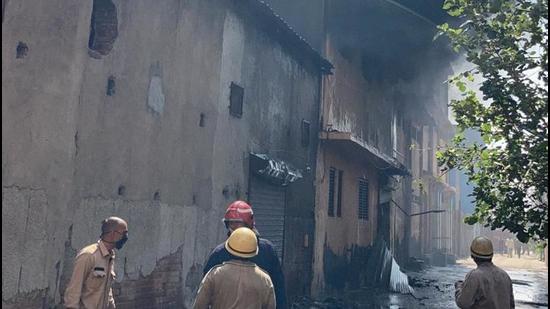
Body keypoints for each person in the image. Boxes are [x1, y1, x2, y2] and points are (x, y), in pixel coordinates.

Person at [203, 200, 287, 309]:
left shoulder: (267, 251)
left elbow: (278, 290)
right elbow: (205, 290)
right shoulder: (219, 253)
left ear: (249, 224)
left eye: (238, 223)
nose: (234, 228)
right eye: (231, 223)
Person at [193, 227, 276, 309]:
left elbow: (199, 305)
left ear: (228, 248)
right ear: (255, 251)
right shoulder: (265, 280)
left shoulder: (215, 274)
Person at [64, 217, 129, 309]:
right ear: (113, 234)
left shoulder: (110, 255)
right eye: (124, 233)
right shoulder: (88, 255)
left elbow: (107, 290)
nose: (125, 237)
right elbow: (73, 291)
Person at [455, 236, 514, 309]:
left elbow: (463, 303)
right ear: (491, 255)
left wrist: (459, 288)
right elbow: (511, 305)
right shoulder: (505, 275)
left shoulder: (474, 276)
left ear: (472, 256)